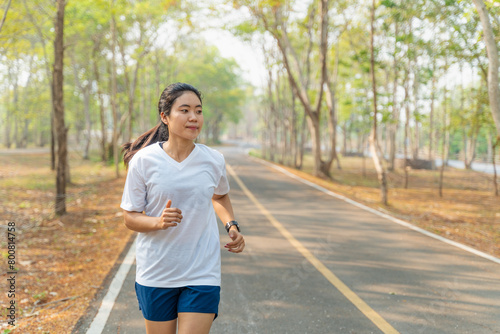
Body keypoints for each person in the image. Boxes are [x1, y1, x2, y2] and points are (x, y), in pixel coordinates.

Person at [120, 82, 245, 334]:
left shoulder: (213, 159)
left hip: (202, 271)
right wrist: (158, 222)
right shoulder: (144, 161)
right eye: (185, 110)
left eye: (198, 111)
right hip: (157, 272)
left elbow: (219, 197)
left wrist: (231, 224)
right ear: (165, 117)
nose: (194, 118)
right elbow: (130, 217)